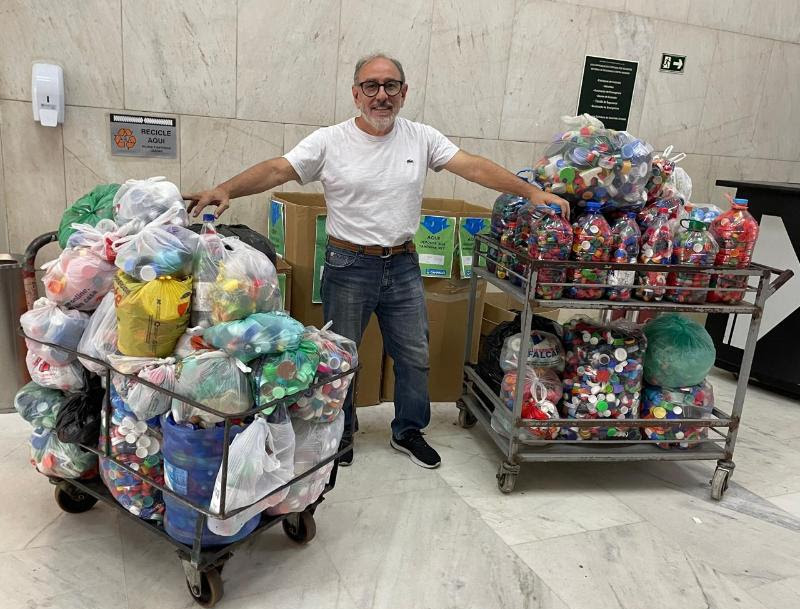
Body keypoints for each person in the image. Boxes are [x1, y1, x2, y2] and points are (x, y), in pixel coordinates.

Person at [184, 53, 569, 470]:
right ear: (356, 94)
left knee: (414, 355)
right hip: (348, 264)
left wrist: (530, 193)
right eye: (371, 86)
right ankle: (341, 432)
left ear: (404, 93)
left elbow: (471, 166)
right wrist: (227, 188)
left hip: (402, 264)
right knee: (342, 358)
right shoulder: (330, 140)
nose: (381, 95)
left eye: (390, 86)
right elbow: (279, 169)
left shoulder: (421, 137)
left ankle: (408, 431)